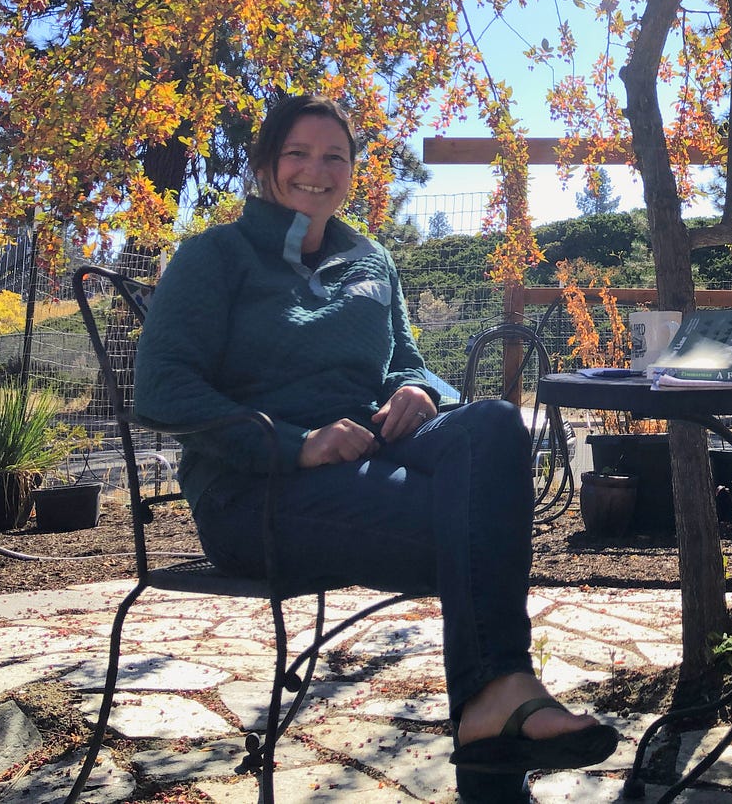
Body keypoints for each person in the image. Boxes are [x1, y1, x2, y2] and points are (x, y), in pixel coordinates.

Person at [135, 94, 618, 800]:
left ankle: (499, 702)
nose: (316, 170)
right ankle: (499, 718)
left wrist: (421, 391)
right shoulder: (215, 256)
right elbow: (162, 388)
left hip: (369, 462)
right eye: (298, 153)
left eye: (335, 156)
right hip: (252, 493)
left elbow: (405, 362)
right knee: (476, 535)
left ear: (353, 172)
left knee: (490, 423)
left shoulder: (372, 260)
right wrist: (297, 444)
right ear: (267, 164)